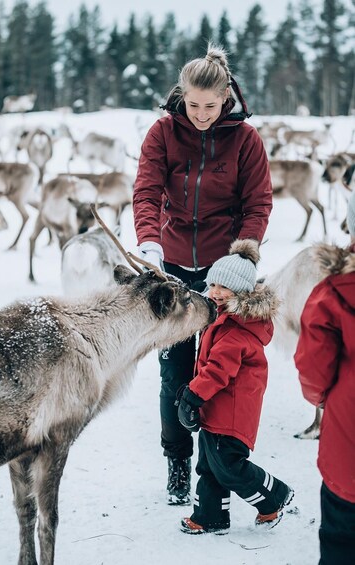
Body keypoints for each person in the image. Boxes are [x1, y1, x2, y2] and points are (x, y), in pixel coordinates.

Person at [132, 43, 273, 504]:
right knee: (174, 375)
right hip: (171, 270)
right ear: (180, 95)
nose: (200, 114)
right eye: (192, 105)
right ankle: (176, 462)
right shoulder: (162, 133)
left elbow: (258, 203)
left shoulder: (245, 140)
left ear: (226, 96)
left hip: (221, 277)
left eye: (210, 106)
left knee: (217, 373)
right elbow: (147, 190)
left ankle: (209, 470)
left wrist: (244, 257)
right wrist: (149, 242)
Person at [177, 239, 294, 534]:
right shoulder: (224, 320)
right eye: (213, 284)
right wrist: (195, 394)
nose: (214, 292)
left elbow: (217, 371)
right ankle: (210, 516)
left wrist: (193, 395)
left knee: (228, 467)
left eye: (223, 287)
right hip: (216, 409)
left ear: (240, 292)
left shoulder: (237, 331)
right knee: (209, 466)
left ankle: (274, 496)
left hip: (230, 413)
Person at [294, 191, 355, 565]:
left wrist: (321, 399)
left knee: (340, 542)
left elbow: (313, 370)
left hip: (348, 452)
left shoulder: (333, 293)